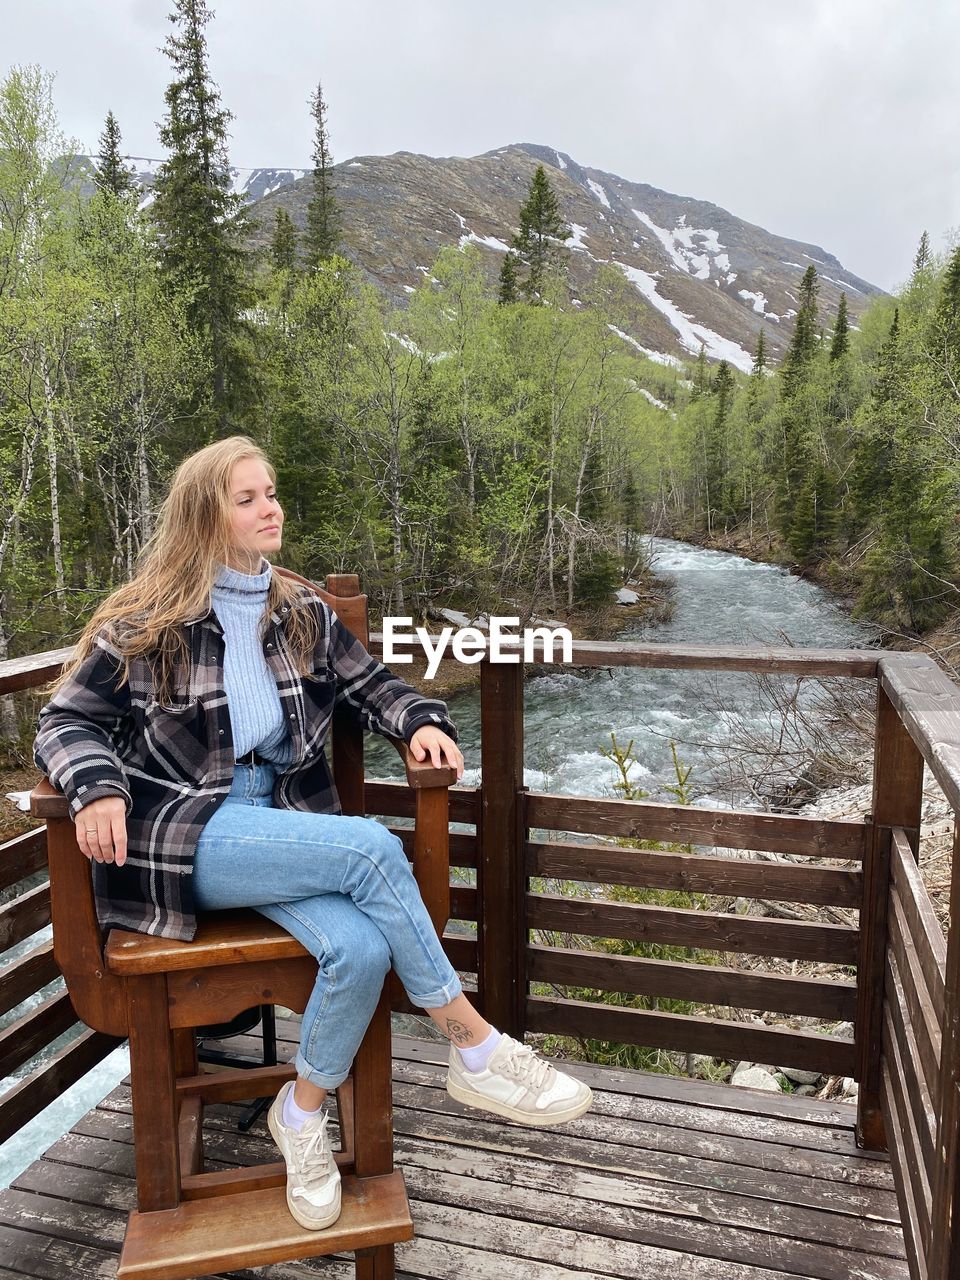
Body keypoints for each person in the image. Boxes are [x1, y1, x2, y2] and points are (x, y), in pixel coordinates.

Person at [34, 435, 592, 1232]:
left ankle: (299, 1115)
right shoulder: (145, 621)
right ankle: (473, 1047)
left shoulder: (297, 611)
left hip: (284, 822)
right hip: (185, 830)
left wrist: (420, 722)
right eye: (249, 498)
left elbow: (375, 685)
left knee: (360, 949)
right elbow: (63, 723)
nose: (272, 508)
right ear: (206, 516)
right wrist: (95, 787)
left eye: (272, 493)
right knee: (371, 847)